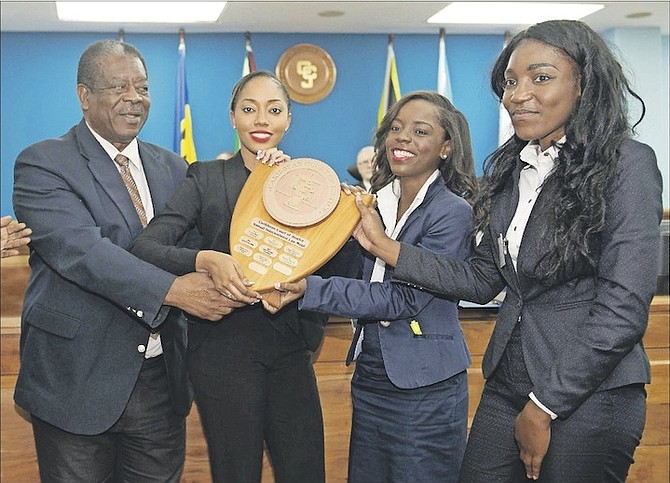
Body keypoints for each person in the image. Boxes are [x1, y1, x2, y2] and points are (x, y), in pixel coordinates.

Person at [352, 20, 663, 483]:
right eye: (511, 81)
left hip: (590, 393)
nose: (518, 94)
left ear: (584, 83)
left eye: (541, 78)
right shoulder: (514, 170)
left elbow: (623, 309)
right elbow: (483, 280)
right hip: (507, 383)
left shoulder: (627, 165)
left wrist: (545, 406)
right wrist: (386, 248)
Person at [12, 39, 238, 483]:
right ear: (84, 96)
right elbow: (81, 252)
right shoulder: (43, 163)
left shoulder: (175, 167)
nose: (134, 98)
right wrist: (176, 292)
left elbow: (199, 245)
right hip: (75, 379)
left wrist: (275, 179)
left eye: (143, 87)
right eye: (119, 87)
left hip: (160, 380)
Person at [266, 91, 479, 482]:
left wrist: (308, 290)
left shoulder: (452, 213)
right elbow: (347, 270)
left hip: (424, 385)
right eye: (395, 128)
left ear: (446, 147)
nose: (402, 138)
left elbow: (404, 299)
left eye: (420, 131)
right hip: (371, 375)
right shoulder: (371, 204)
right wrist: (318, 213)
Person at [129, 70, 328, 483]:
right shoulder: (205, 177)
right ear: (233, 117)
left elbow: (334, 267)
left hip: (291, 349)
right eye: (249, 109)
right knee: (236, 472)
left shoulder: (310, 184)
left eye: (274, 110)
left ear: (288, 119)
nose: (261, 120)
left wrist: (305, 194)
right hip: (221, 352)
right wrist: (204, 259)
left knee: (306, 471)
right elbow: (145, 247)